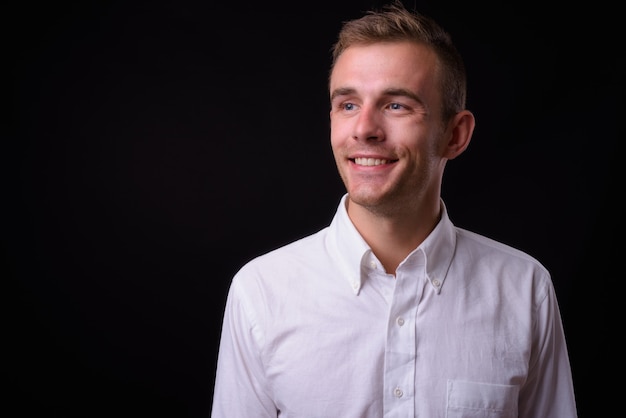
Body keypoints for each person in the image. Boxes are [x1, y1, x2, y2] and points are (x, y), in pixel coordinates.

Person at [211, 2, 577, 417]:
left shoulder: (524, 289)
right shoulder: (261, 292)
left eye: (396, 105)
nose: (364, 128)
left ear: (455, 135)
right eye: (348, 105)